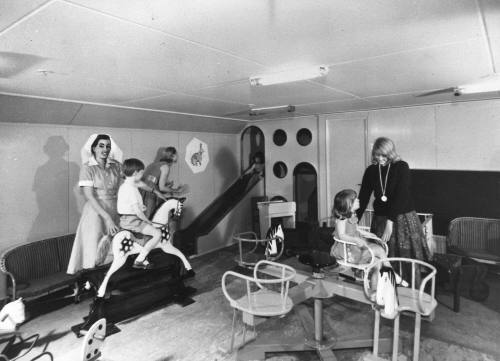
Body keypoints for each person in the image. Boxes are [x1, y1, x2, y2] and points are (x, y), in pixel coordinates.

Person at [356, 137, 430, 263]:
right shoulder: (371, 171)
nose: (379, 158)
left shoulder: (401, 167)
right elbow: (363, 197)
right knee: (382, 256)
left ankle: (405, 282)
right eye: (376, 154)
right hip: (380, 219)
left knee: (405, 258)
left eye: (383, 155)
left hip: (402, 218)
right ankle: (387, 281)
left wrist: (390, 222)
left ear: (390, 153)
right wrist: (354, 221)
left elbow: (402, 195)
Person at [67, 134, 123, 274]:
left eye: (108, 146)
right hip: (96, 212)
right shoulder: (88, 168)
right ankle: (91, 283)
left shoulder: (116, 166)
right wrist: (107, 218)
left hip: (114, 208)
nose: (105, 149)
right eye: (101, 146)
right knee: (94, 249)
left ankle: (109, 282)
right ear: (93, 148)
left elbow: (125, 185)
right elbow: (89, 196)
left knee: (113, 248)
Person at [117, 158, 162, 270]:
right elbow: (137, 212)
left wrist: (141, 207)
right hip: (133, 221)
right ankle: (140, 260)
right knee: (157, 234)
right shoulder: (131, 189)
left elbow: (127, 206)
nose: (142, 174)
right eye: (142, 172)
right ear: (136, 173)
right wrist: (147, 220)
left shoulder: (125, 186)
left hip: (125, 219)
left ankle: (142, 255)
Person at [141, 147, 186, 220]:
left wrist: (167, 185)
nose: (178, 156)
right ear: (173, 156)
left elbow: (151, 180)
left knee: (144, 218)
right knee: (150, 219)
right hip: (151, 195)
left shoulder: (154, 164)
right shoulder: (166, 167)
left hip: (143, 192)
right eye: (176, 154)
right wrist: (176, 190)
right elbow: (162, 188)